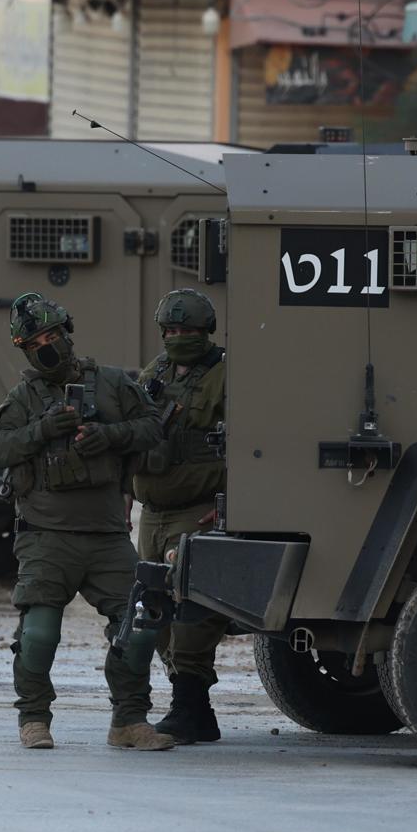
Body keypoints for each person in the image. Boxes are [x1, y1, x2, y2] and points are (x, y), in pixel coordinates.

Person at [0, 292, 175, 752]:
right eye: (35, 342)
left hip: (107, 536)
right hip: (47, 537)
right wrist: (43, 430)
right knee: (39, 632)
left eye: (52, 335)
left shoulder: (111, 384)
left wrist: (107, 437)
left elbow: (153, 426)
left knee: (141, 622)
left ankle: (128, 720)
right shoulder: (24, 398)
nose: (47, 346)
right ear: (25, 350)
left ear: (67, 334)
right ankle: (34, 718)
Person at [134, 288, 230, 745]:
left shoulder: (226, 375)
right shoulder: (155, 373)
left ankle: (192, 706)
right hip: (153, 512)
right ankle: (184, 696)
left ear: (205, 330)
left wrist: (232, 503)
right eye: (170, 331)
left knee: (193, 609)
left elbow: (253, 447)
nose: (177, 338)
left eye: (187, 331)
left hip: (200, 509)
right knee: (153, 610)